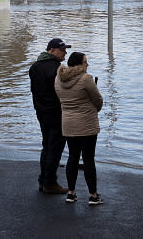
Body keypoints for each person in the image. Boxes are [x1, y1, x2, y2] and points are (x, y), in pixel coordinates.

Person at [54, 52, 104, 205]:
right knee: (88, 158)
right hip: (87, 124)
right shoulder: (86, 78)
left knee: (72, 157)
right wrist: (94, 108)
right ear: (78, 64)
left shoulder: (58, 78)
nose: (87, 65)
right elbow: (98, 100)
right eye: (85, 62)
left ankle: (71, 193)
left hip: (68, 123)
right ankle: (93, 195)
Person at [29, 38, 71, 194]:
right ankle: (50, 183)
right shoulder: (58, 69)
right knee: (55, 148)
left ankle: (43, 180)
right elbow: (66, 90)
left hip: (41, 112)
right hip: (56, 113)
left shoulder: (34, 67)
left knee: (46, 146)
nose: (65, 54)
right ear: (51, 50)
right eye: (62, 51)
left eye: (65, 51)